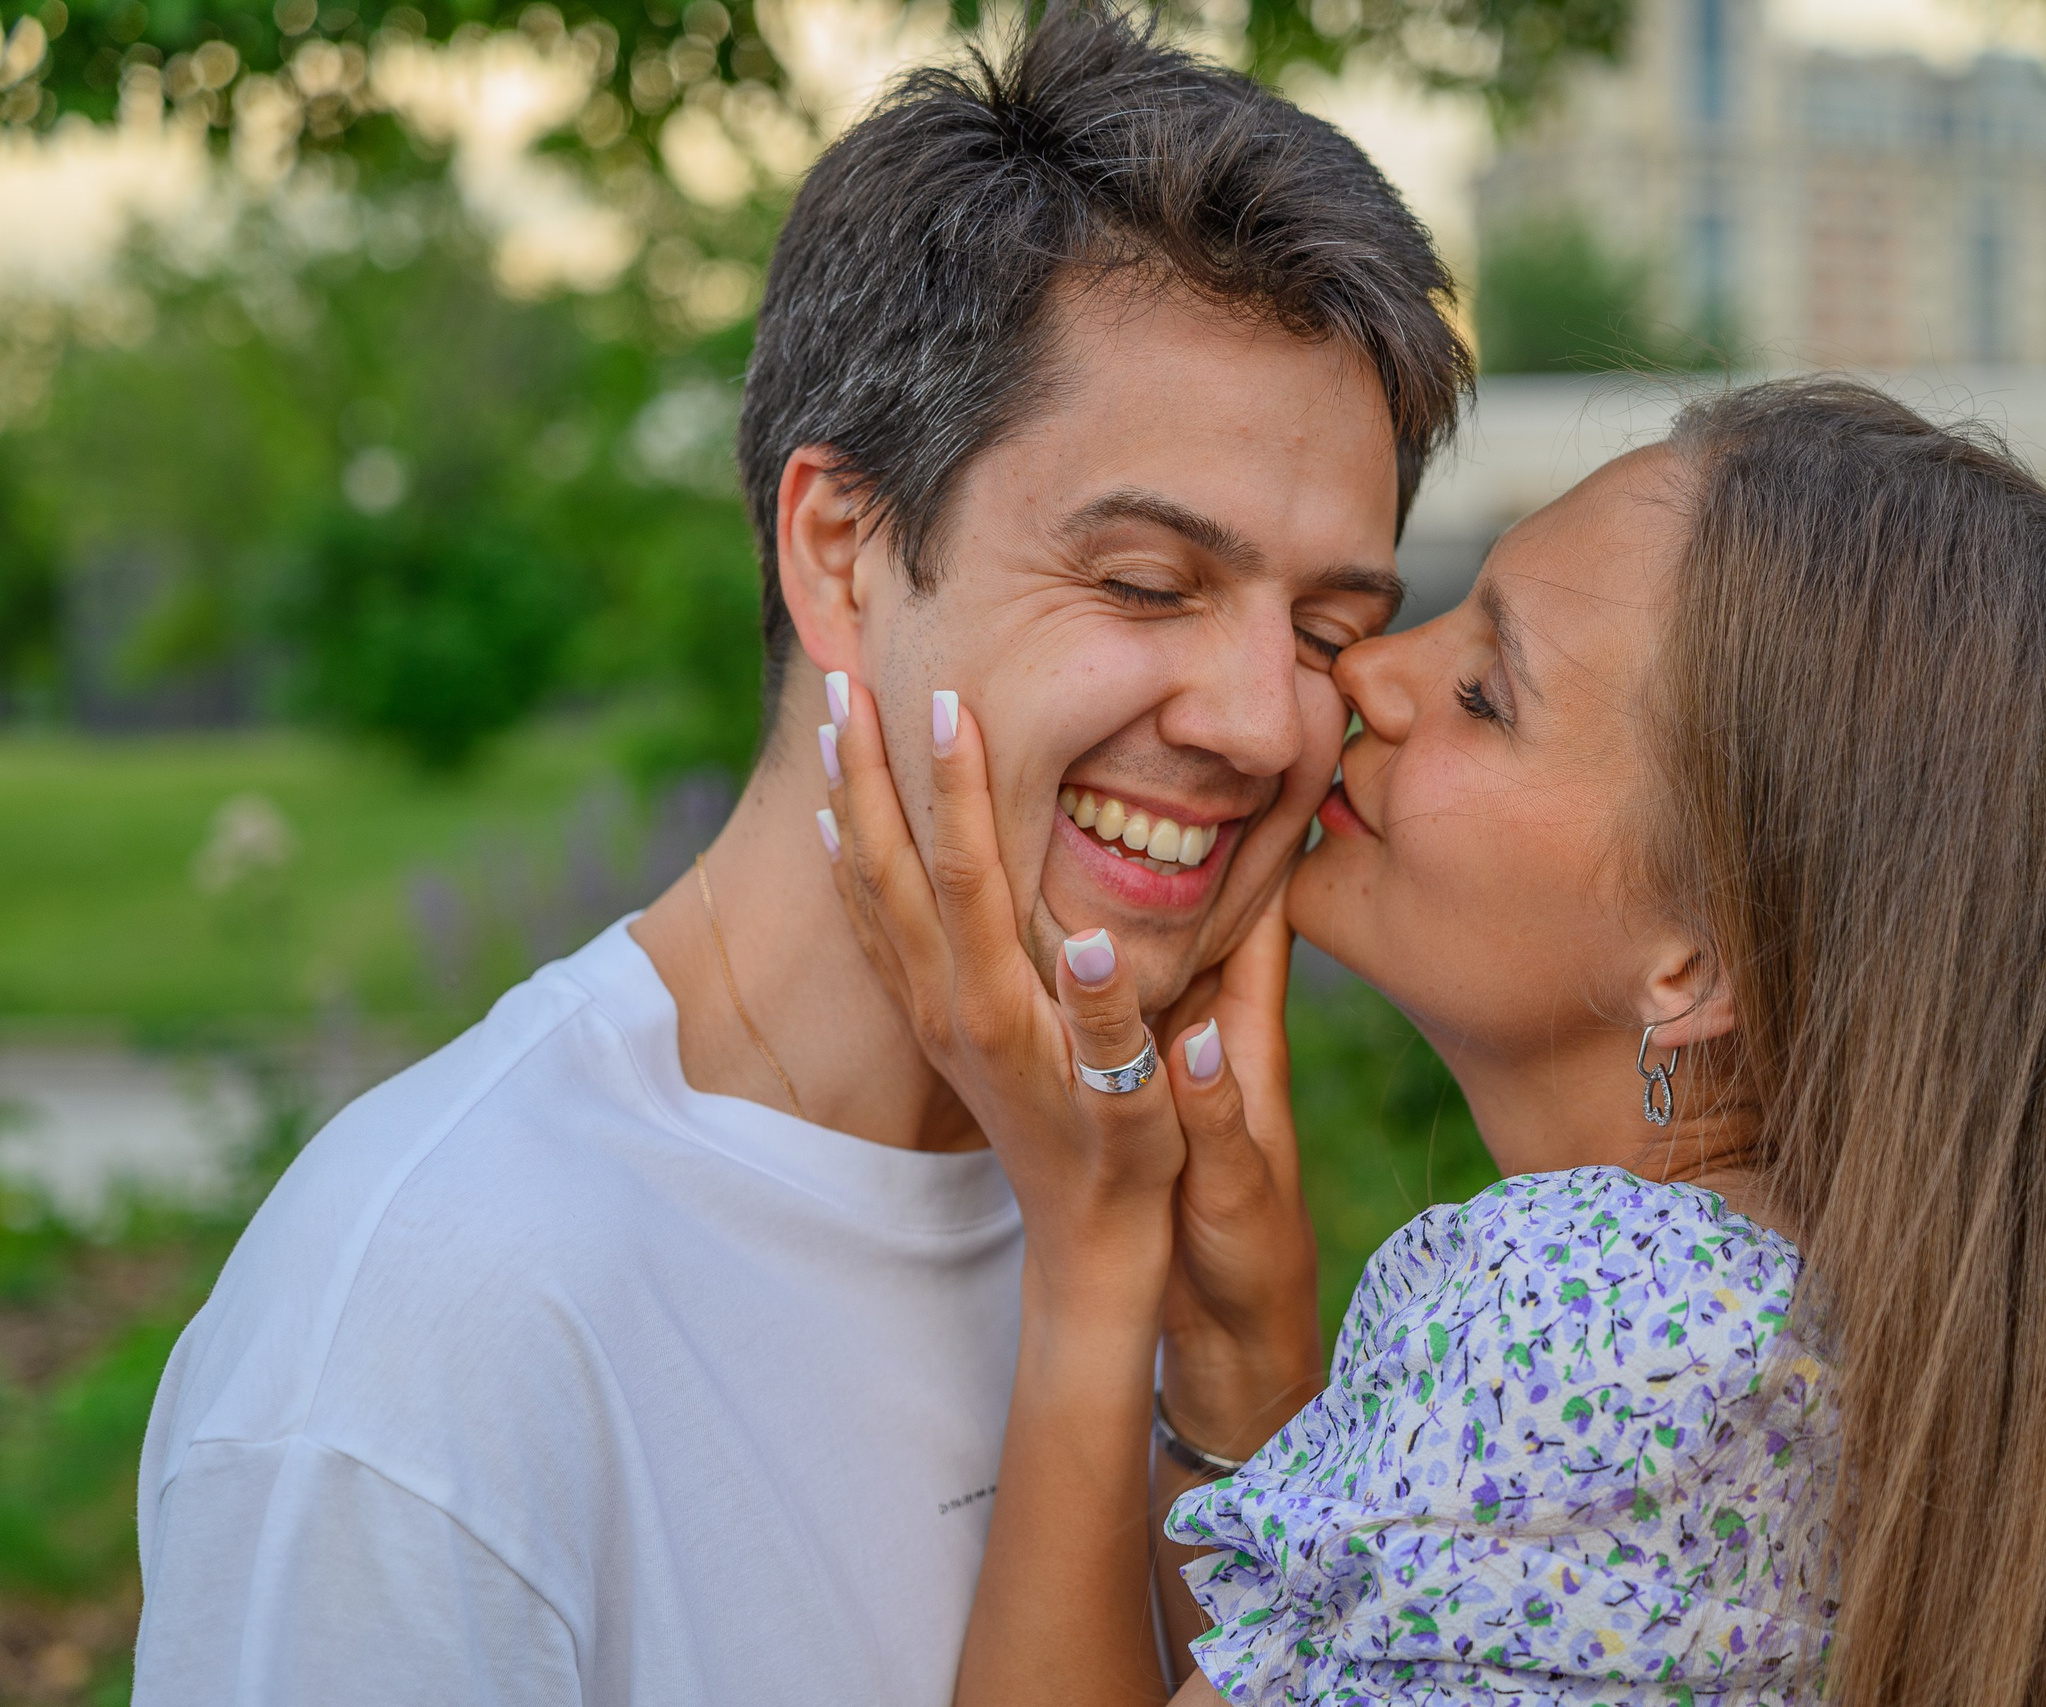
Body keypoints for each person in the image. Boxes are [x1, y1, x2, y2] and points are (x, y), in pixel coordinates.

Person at [129, 11, 1468, 1701]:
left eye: (1331, 626)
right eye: (1144, 585)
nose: (1270, 725)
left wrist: (1240, 1383)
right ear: (841, 553)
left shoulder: (1168, 1209)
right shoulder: (421, 1352)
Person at [821, 378, 2046, 1705]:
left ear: (1700, 963)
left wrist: (1091, 1256)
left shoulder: (1594, 1317)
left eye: (1484, 694)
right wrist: (1240, 1348)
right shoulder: (1801, 1340)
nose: (1363, 678)